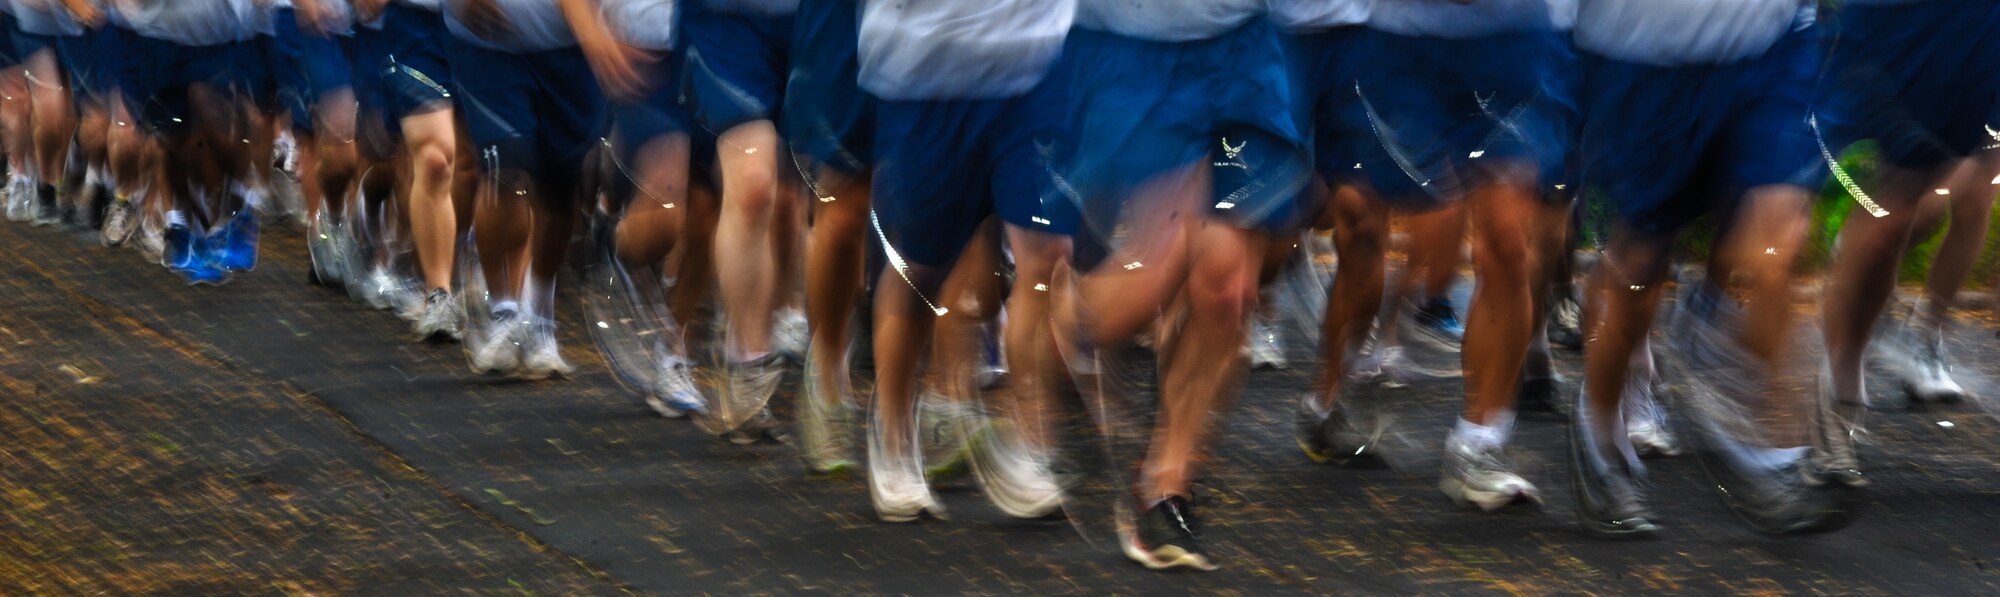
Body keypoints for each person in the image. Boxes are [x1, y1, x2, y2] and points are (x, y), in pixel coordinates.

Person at [1053, 0, 1308, 571]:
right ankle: (1049, 321)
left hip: (1242, 50)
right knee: (1145, 282)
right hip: (1132, 50)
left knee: (1230, 288)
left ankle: (1165, 487)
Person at [1571, 0, 1835, 538]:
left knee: (1775, 243)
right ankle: (1601, 436)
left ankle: (1769, 452)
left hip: (1770, 49)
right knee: (1639, 267)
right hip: (1640, 60)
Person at [856, 0, 1074, 523]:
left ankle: (1029, 442)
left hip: (1037, 69)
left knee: (1049, 255)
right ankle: (893, 436)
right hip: (925, 74)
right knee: (919, 271)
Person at [1816, 0, 2000, 488]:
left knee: (1979, 188)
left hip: (1983, 30)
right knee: (1893, 219)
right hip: (1904, 24)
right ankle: (1840, 385)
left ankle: (1925, 337)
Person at [445, 0, 604, 378]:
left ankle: (540, 317)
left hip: (570, 49)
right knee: (507, 172)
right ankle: (503, 310)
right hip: (489, 43)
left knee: (561, 188)